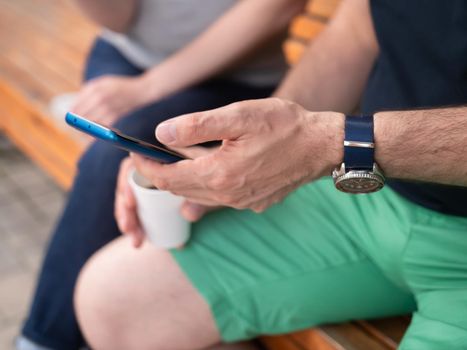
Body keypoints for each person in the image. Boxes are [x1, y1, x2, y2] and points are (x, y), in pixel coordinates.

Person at [75, 0, 467, 349]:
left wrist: (336, 142)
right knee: (116, 299)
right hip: (369, 200)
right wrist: (247, 156)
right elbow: (358, 30)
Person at [19, 1, 308, 349]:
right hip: (125, 54)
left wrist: (145, 90)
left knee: (114, 156)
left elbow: (277, 7)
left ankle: (44, 339)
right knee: (117, 153)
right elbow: (121, 19)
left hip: (237, 75)